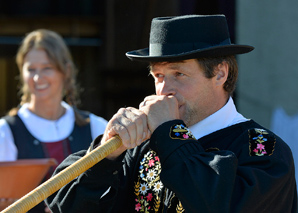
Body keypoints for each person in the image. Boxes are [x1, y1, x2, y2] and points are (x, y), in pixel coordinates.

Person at [46, 15, 297, 212]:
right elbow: (63, 203)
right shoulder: (141, 144)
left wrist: (169, 132)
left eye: (179, 74)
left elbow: (217, 205)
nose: (164, 90)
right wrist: (106, 155)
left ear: (221, 73)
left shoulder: (264, 150)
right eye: (158, 76)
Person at [0, 29, 107, 212]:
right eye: (30, 69)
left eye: (47, 68)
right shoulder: (6, 131)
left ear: (65, 71)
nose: (37, 77)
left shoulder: (95, 127)